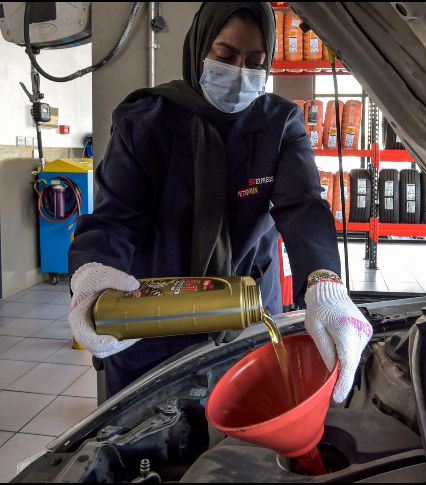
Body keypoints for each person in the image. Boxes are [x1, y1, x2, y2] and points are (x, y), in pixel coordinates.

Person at [67, 2, 371, 403]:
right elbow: (117, 217)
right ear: (199, 49)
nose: (240, 73)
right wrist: (91, 276)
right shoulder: (145, 119)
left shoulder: (278, 124)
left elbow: (302, 206)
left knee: (247, 426)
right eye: (225, 56)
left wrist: (324, 281)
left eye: (255, 62)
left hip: (247, 310)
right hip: (155, 313)